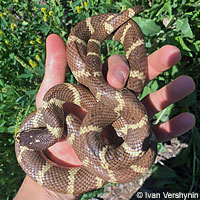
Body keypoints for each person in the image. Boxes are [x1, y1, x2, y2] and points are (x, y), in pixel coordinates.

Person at [14, 34, 195, 200]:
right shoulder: (62, 119)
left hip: (102, 127)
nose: (20, 138)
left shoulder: (57, 110)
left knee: (116, 88)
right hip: (106, 135)